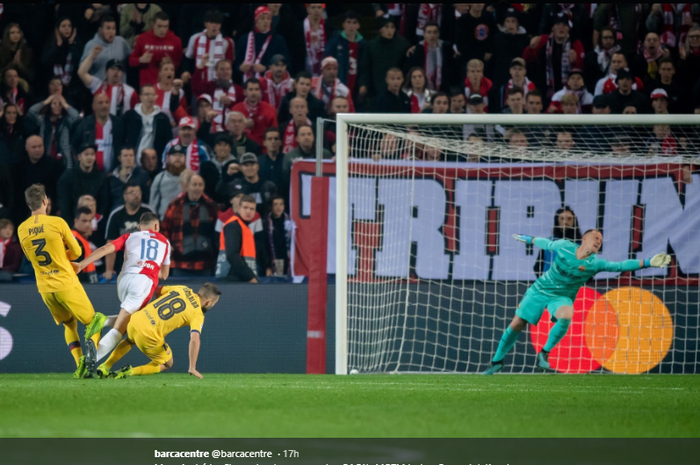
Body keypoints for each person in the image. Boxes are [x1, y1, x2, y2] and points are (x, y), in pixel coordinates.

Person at [482, 230, 672, 375]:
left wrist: (647, 262)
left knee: (566, 314)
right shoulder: (564, 246)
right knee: (517, 324)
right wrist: (529, 239)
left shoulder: (595, 264)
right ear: (584, 239)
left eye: (601, 240)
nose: (598, 241)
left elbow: (620, 265)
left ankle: (545, 353)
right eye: (595, 237)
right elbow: (546, 244)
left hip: (562, 297)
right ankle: (497, 362)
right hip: (539, 290)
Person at [18, 184, 105, 378]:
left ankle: (79, 364)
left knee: (69, 325)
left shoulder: (22, 229)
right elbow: (77, 252)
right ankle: (91, 362)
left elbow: (31, 258)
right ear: (45, 201)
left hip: (45, 288)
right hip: (65, 282)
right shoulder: (56, 222)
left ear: (28, 204)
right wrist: (63, 257)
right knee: (94, 321)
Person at [74, 211, 171, 377]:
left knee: (129, 321)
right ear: (156, 226)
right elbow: (164, 275)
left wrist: (82, 264)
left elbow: (107, 248)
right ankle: (91, 359)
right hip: (143, 282)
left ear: (139, 227)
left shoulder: (130, 236)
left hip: (123, 281)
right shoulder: (165, 243)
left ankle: (103, 322)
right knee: (121, 329)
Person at [93, 283, 221, 379]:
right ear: (209, 302)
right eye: (213, 304)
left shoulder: (183, 289)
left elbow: (158, 290)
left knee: (130, 340)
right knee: (168, 363)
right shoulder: (197, 314)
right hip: (149, 334)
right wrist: (192, 367)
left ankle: (105, 366)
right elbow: (194, 340)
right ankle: (129, 372)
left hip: (136, 320)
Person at [161, 174, 218, 277]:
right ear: (187, 186)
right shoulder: (175, 205)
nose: (197, 188)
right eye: (194, 184)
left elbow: (217, 232)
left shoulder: (211, 206)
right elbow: (164, 228)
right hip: (180, 263)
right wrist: (168, 245)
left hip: (205, 264)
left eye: (200, 185)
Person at [523, 16, 585, 98]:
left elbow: (582, 68)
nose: (561, 27)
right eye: (558, 24)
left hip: (569, 90)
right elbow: (527, 59)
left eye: (564, 25)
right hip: (545, 88)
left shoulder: (576, 43)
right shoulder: (543, 40)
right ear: (552, 28)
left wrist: (575, 60)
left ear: (568, 28)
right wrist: (530, 48)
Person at [184, 10, 235, 98]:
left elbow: (230, 65)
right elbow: (188, 59)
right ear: (205, 24)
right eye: (211, 22)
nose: (214, 25)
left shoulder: (227, 42)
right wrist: (186, 71)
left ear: (220, 25)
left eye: (217, 23)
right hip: (200, 85)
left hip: (219, 86)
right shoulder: (195, 39)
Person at [359, 17, 410, 103]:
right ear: (380, 29)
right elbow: (365, 67)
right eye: (386, 27)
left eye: (392, 27)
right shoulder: (371, 45)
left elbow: (407, 64)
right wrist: (363, 84)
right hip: (376, 85)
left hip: (397, 87)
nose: (389, 30)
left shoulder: (403, 44)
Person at [70, 92, 124, 173]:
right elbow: (75, 147)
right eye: (100, 103)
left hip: (113, 174)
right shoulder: (84, 125)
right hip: (90, 175)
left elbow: (121, 147)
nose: (104, 106)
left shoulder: (118, 124)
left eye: (107, 102)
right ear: (93, 106)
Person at [78, 46, 138, 117]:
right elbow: (81, 72)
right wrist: (92, 55)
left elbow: (135, 114)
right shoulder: (98, 85)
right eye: (113, 69)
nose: (116, 72)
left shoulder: (130, 92)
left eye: (119, 70)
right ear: (106, 72)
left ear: (122, 73)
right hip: (101, 126)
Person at [57, 143, 109, 224]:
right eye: (86, 154)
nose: (89, 157)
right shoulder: (68, 177)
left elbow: (104, 204)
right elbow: (64, 204)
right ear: (79, 157)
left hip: (95, 223)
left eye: (92, 154)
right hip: (73, 223)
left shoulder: (101, 178)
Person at [235, 6, 289, 83]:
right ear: (256, 21)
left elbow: (285, 63)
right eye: (262, 18)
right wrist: (240, 67)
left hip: (270, 82)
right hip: (246, 83)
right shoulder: (244, 39)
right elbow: (236, 62)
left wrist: (265, 69)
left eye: (268, 19)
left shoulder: (278, 40)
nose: (266, 21)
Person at [129, 11, 183, 87]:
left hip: (166, 86)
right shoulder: (142, 39)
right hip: (147, 86)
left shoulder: (176, 41)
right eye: (159, 26)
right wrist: (141, 59)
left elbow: (178, 64)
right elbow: (131, 61)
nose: (162, 30)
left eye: (165, 26)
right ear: (153, 24)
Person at [26, 93, 80, 169]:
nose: (57, 106)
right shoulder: (43, 120)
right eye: (54, 103)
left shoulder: (66, 121)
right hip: (44, 160)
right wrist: (47, 100)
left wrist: (64, 103)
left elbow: (76, 117)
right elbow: (31, 112)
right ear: (49, 106)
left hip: (63, 161)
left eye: (60, 104)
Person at [122, 84, 172, 161]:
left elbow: (168, 142)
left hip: (154, 162)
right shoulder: (130, 115)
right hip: (132, 160)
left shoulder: (162, 118)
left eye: (152, 94)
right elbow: (121, 138)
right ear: (140, 97)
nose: (150, 97)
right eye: (147, 94)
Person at [218, 153, 277, 218]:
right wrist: (227, 175)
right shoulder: (235, 184)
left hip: (265, 224)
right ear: (240, 168)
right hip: (243, 224)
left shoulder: (269, 186)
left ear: (257, 166)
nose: (249, 168)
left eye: (252, 164)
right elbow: (219, 193)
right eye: (246, 165)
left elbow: (275, 207)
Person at [216, 195, 259, 282]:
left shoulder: (244, 227)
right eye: (245, 207)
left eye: (252, 209)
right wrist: (250, 276)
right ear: (239, 208)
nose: (248, 211)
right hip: (231, 277)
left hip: (239, 276)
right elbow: (232, 255)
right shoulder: (233, 226)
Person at [40, 17, 83, 104]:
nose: (67, 28)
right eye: (63, 26)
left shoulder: (77, 44)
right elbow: (45, 62)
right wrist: (58, 46)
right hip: (53, 87)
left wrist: (72, 45)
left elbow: (79, 62)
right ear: (57, 29)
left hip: (72, 89)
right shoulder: (51, 43)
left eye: (69, 26)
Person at [404, 22, 455, 92]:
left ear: (438, 34)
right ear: (424, 34)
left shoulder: (446, 47)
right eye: (429, 32)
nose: (432, 35)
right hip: (423, 88)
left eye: (435, 32)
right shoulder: (417, 50)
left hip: (443, 87)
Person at [324, 10, 365, 98]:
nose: (351, 25)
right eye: (348, 22)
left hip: (356, 86)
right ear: (343, 25)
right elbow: (326, 62)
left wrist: (363, 84)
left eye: (354, 22)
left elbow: (365, 66)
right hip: (338, 85)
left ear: (358, 25)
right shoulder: (334, 42)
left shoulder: (363, 44)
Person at [79, 15, 131, 82]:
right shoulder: (91, 45)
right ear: (100, 30)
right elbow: (82, 70)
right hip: (99, 88)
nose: (111, 31)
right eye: (108, 28)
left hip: (119, 87)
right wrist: (92, 55)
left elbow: (132, 58)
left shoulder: (121, 42)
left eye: (113, 28)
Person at [491, 9, 531, 97]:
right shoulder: (497, 38)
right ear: (504, 23)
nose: (510, 24)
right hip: (501, 76)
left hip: (519, 76)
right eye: (508, 21)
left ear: (517, 23)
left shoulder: (526, 39)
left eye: (513, 21)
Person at [534, 206, 582, 278]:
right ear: (557, 221)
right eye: (562, 218)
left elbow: (589, 269)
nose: (565, 222)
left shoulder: (581, 245)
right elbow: (537, 268)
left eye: (569, 219)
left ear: (574, 221)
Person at [198, 59, 245, 132]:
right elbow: (195, 88)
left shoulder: (238, 89)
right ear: (216, 72)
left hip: (231, 129)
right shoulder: (210, 86)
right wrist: (200, 68)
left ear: (231, 71)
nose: (225, 72)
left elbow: (242, 109)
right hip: (213, 127)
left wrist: (230, 104)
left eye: (228, 69)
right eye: (222, 69)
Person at [231, 78, 278, 146]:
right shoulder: (236, 109)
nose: (254, 93)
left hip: (262, 149)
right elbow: (230, 130)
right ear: (244, 92)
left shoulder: (269, 109)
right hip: (240, 147)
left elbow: (274, 132)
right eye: (250, 89)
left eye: (256, 89)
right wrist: (243, 125)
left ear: (260, 91)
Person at [455, 3, 497, 79]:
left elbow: (494, 37)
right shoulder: (462, 21)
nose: (479, 4)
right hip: (468, 60)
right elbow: (460, 44)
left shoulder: (489, 18)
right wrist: (476, 55)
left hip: (486, 60)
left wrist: (490, 51)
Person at [150, 144, 186, 219]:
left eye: (181, 155)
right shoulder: (160, 178)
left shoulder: (191, 178)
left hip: (185, 221)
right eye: (174, 155)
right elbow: (153, 205)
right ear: (168, 158)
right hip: (164, 221)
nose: (178, 158)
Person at [200, 133, 238, 205]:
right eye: (219, 144)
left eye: (225, 145)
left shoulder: (237, 165)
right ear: (214, 148)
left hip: (231, 205)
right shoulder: (206, 166)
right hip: (210, 205)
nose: (222, 148)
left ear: (230, 148)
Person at [154, 57, 188, 127]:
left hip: (173, 129)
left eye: (172, 70)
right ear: (160, 73)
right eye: (166, 69)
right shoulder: (152, 90)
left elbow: (183, 116)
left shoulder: (180, 92)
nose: (169, 72)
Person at [302, 4, 332, 76]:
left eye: (319, 7)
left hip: (323, 68)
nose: (316, 10)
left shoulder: (329, 27)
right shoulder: (300, 27)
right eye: (313, 7)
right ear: (307, 9)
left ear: (322, 9)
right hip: (304, 67)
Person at [70, 206, 98, 283]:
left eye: (90, 221)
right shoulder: (73, 239)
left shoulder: (82, 238)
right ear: (76, 221)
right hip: (78, 283)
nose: (88, 224)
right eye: (84, 221)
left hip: (86, 283)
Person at [265, 196, 292, 276]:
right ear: (271, 207)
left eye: (281, 204)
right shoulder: (265, 223)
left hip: (287, 258)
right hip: (272, 259)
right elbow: (263, 246)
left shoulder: (290, 221)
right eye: (276, 204)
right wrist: (267, 266)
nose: (279, 207)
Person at [258, 127, 286, 198]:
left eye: (276, 139)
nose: (273, 141)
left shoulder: (286, 160)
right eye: (270, 139)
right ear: (264, 142)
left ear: (280, 142)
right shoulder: (259, 161)